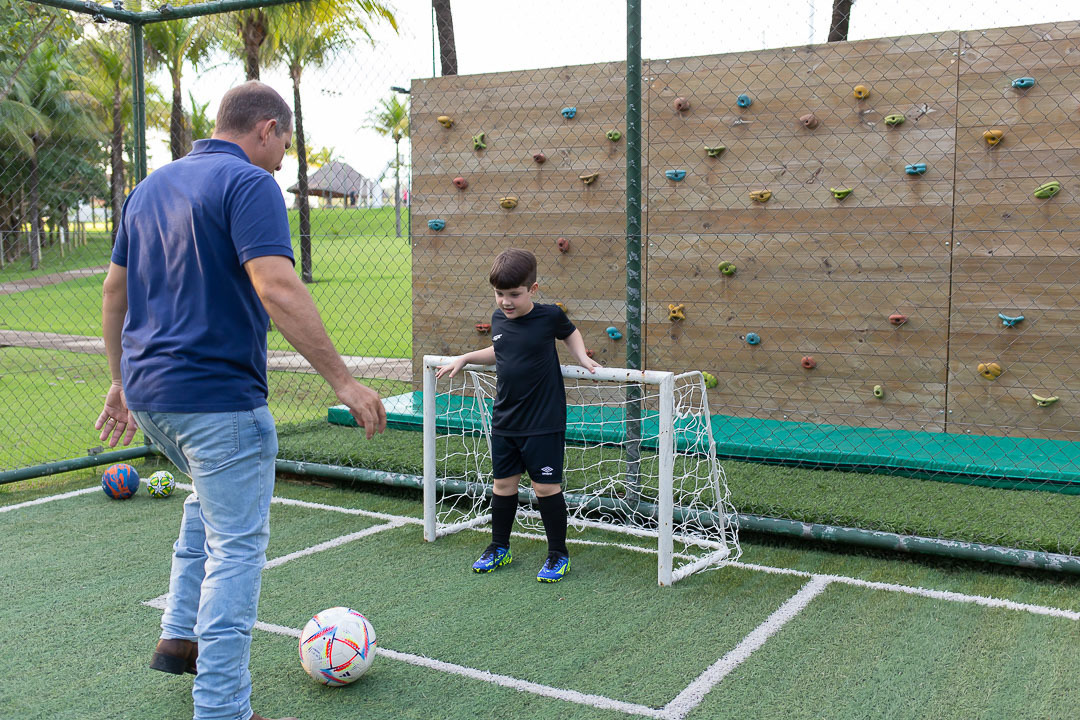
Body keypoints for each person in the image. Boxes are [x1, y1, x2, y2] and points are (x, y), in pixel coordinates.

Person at [95, 80, 386, 720]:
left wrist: (118, 382)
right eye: (285, 144)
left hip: (150, 396)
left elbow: (115, 293)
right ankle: (223, 706)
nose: (283, 161)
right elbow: (276, 287)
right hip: (218, 399)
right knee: (238, 550)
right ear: (267, 129)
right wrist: (343, 381)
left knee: (206, 502)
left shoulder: (149, 188)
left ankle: (180, 635)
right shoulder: (250, 183)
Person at [436, 248, 600, 582]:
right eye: (500, 294)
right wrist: (465, 357)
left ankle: (558, 554)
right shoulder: (499, 319)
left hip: (543, 422)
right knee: (503, 485)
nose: (506, 302)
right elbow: (500, 350)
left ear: (532, 289)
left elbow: (570, 332)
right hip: (505, 420)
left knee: (545, 488)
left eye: (514, 294)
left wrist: (581, 357)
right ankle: (499, 547)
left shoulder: (549, 316)